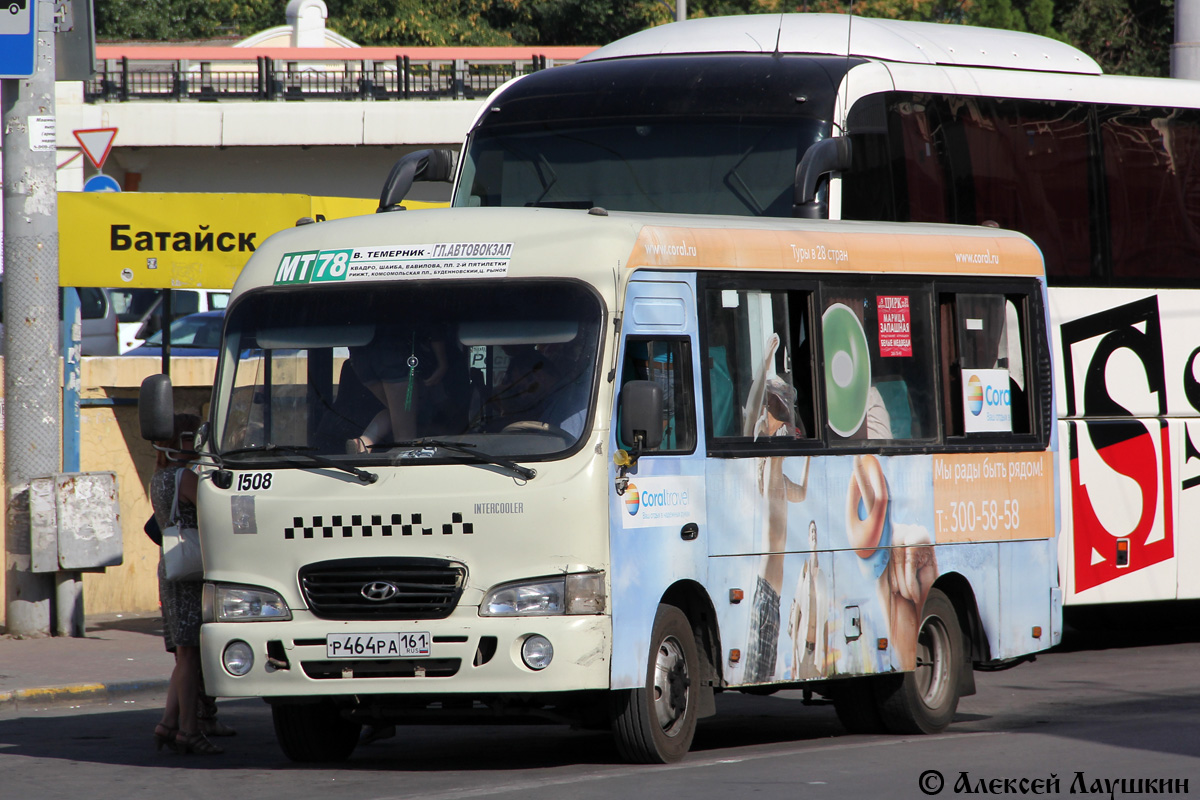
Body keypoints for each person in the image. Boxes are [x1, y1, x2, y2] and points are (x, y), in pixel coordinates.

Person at [150, 413, 224, 755]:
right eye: (191, 438)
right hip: (191, 570)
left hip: (171, 565)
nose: (197, 444)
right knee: (191, 655)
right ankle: (189, 731)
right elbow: (218, 515)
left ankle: (168, 723)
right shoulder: (186, 478)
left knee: (183, 655)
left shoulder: (160, 477)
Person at [347, 326, 448, 452]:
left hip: (360, 357)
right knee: (405, 438)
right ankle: (399, 457)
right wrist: (442, 362)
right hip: (396, 354)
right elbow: (433, 326)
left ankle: (364, 442)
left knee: (400, 411)